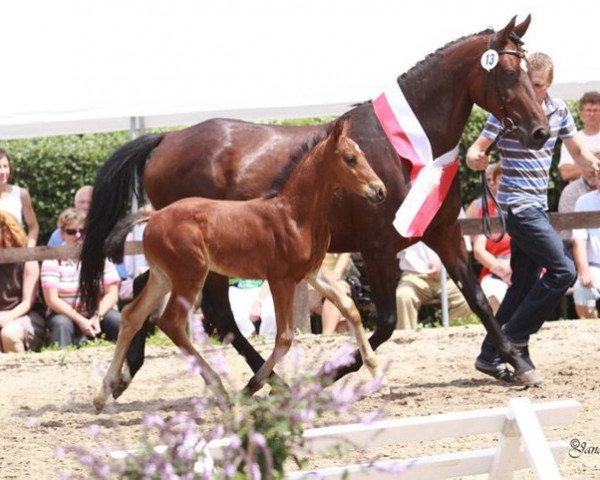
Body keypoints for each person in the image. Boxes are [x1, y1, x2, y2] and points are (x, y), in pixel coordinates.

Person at [466, 52, 600, 382]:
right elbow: (475, 149)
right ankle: (514, 338)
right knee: (563, 270)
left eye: (538, 85)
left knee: (522, 284)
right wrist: (475, 159)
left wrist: (590, 163)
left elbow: (576, 150)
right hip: (517, 207)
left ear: (549, 84)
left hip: (537, 206)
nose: (532, 89)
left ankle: (488, 355)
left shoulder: (559, 111)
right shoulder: (507, 111)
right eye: (528, 82)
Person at [41, 208, 121, 348]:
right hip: (64, 314)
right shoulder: (52, 260)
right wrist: (80, 320)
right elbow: (52, 300)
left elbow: (112, 294)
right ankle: (61, 362)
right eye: (71, 232)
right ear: (61, 234)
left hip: (97, 312)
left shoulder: (100, 258)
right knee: (61, 324)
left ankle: (125, 358)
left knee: (117, 320)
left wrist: (97, 316)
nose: (78, 235)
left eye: (82, 231)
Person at [395, 242, 473, 330]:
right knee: (403, 296)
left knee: (467, 300)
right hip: (414, 276)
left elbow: (463, 250)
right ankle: (406, 339)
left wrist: (441, 261)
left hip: (448, 277)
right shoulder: (404, 228)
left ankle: (449, 335)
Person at [0, 212, 46, 352]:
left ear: (6, 231)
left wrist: (7, 317)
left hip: (25, 315)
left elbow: (28, 303)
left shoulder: (27, 259)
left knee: (9, 335)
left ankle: (20, 372)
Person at [469, 163, 512, 312]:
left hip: (524, 266)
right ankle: (502, 330)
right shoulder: (486, 209)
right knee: (492, 293)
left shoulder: (528, 206)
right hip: (495, 269)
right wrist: (501, 269)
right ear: (493, 184)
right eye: (501, 180)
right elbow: (478, 251)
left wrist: (514, 267)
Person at [571, 175, 600, 319]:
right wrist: (584, 271)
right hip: (595, 266)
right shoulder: (584, 202)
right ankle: (592, 331)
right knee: (582, 288)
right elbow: (578, 240)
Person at [0, 148, 39, 247]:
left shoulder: (21, 194)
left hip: (16, 255)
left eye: (5, 166)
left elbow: (33, 227)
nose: (3, 171)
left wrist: (28, 254)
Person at [558, 91, 600, 182]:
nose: (592, 114)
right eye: (588, 110)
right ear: (581, 114)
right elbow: (565, 173)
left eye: (596, 110)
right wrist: (594, 162)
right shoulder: (571, 138)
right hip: (578, 193)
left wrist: (580, 164)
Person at [308, 253, 354, 334]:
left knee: (337, 294)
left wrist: (334, 277)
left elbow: (345, 254)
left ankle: (327, 338)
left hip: (336, 280)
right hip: (310, 280)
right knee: (340, 306)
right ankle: (332, 340)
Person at [557, 163, 598, 248]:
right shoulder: (571, 191)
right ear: (582, 169)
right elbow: (570, 227)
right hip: (572, 245)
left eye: (597, 171)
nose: (594, 173)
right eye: (591, 170)